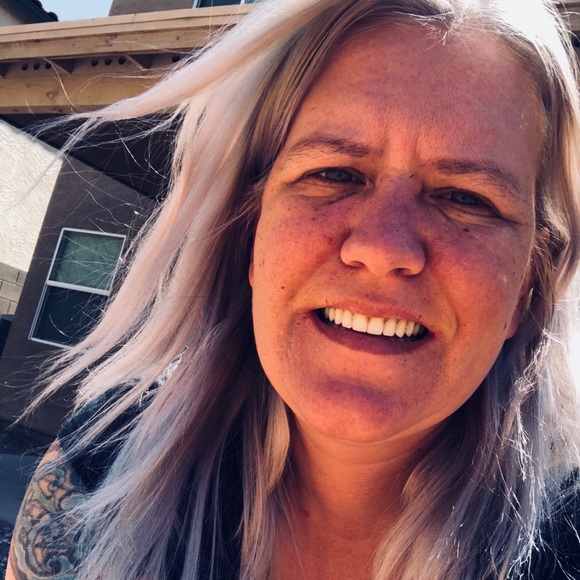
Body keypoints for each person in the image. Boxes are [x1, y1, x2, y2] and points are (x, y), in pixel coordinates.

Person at [6, 0, 580, 578]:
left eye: (465, 198)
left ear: (529, 285)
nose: (383, 247)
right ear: (251, 236)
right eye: (333, 173)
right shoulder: (93, 475)